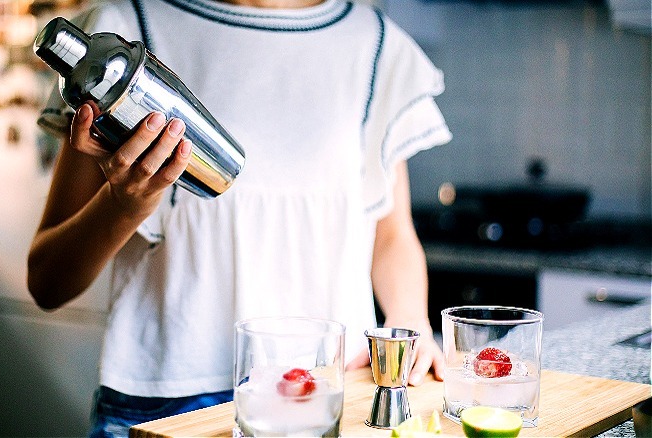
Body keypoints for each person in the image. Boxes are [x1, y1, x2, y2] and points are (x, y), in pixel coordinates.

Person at [28, 0, 451, 436]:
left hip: (328, 396)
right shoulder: (117, 41)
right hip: (164, 408)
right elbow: (47, 283)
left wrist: (410, 320)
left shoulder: (375, 44)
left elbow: (390, 235)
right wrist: (124, 204)